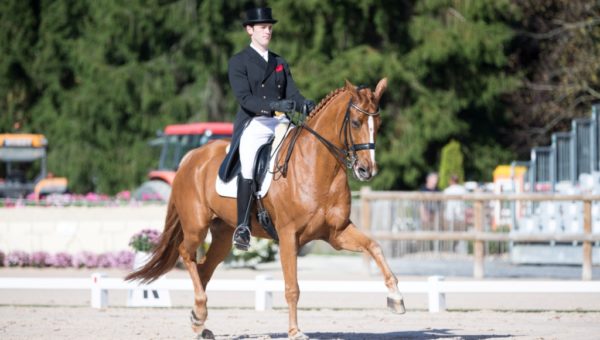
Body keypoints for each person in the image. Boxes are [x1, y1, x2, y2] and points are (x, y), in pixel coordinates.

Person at [218, 7, 315, 251]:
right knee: (249, 161)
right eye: (262, 27)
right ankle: (242, 226)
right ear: (250, 30)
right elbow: (245, 99)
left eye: (270, 27)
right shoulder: (239, 62)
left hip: (280, 121)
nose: (267, 31)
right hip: (255, 122)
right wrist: (273, 105)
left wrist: (307, 104)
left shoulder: (279, 61)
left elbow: (292, 92)